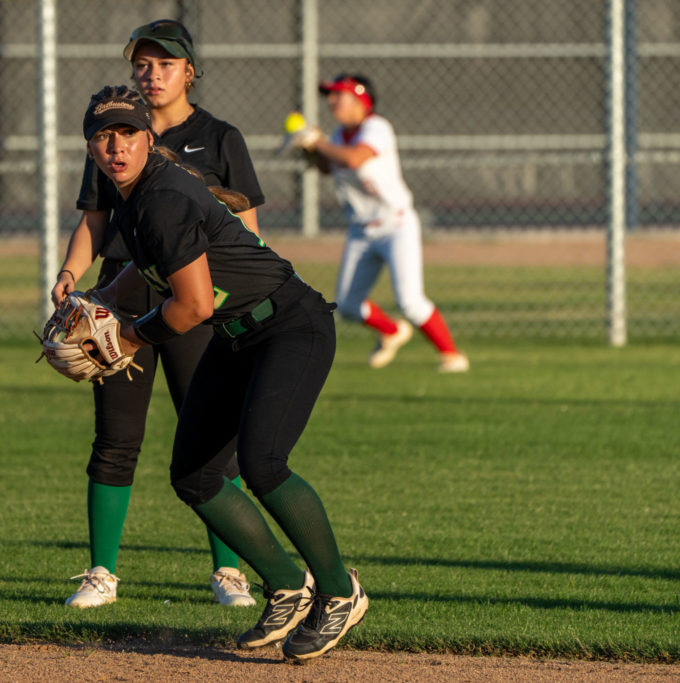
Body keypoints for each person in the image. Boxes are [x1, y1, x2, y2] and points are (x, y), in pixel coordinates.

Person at [82, 85, 368, 662]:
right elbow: (148, 268)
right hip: (241, 339)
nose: (116, 145)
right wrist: (101, 298)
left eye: (128, 132)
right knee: (194, 475)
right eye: (103, 135)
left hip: (290, 327)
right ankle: (288, 586)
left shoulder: (159, 197)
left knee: (262, 465)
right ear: (90, 146)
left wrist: (129, 337)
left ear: (149, 137)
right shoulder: (136, 198)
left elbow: (193, 309)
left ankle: (340, 591)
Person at [52, 20, 264, 609]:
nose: (152, 73)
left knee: (214, 443)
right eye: (142, 64)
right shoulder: (113, 135)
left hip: (196, 302)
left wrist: (238, 300)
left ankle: (229, 572)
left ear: (189, 71)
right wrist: (71, 277)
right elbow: (95, 220)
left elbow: (245, 230)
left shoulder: (220, 138)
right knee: (116, 438)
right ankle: (101, 573)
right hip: (122, 300)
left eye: (164, 63)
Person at [292, 74, 469, 373]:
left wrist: (318, 143)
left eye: (339, 95)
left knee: (411, 301)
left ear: (361, 99)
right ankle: (390, 331)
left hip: (395, 225)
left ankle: (452, 356)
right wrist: (309, 149)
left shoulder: (377, 127)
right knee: (347, 305)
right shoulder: (337, 137)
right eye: (330, 95)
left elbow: (355, 159)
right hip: (361, 230)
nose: (332, 101)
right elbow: (328, 166)